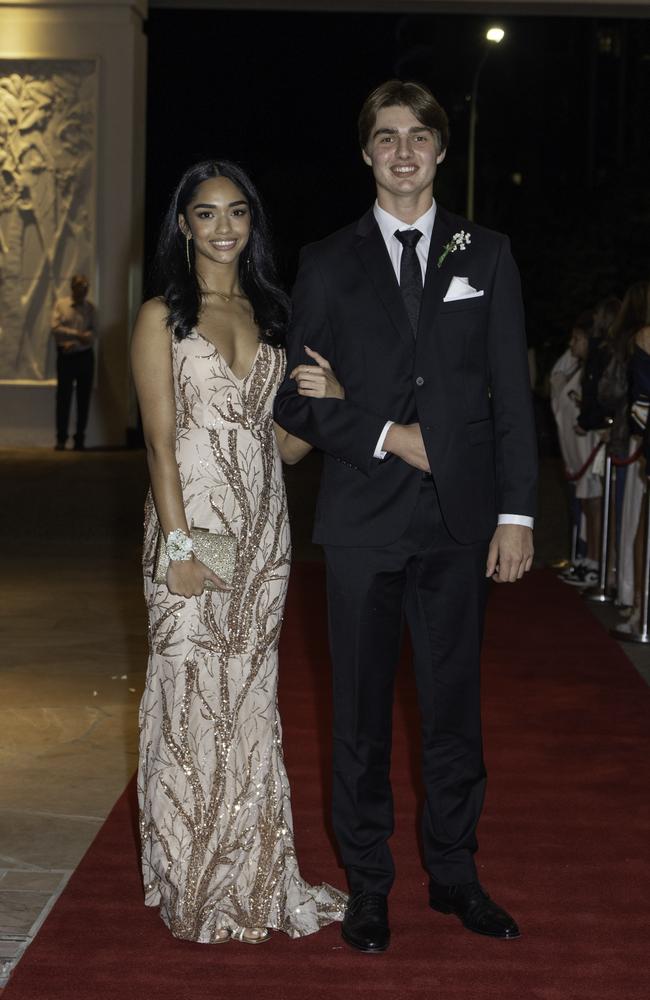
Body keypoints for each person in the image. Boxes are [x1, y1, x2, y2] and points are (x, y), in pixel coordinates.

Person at [274, 80, 537, 953]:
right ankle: (370, 886)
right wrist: (392, 434)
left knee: (454, 712)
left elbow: (509, 398)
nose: (402, 151)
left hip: (461, 527)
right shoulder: (326, 260)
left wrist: (515, 514)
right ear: (365, 152)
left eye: (418, 136)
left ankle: (456, 876)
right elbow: (301, 403)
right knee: (357, 718)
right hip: (359, 525)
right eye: (385, 137)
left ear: (440, 150)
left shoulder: (486, 252)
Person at [130, 160, 347, 945]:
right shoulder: (161, 316)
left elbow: (282, 448)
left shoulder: (271, 315)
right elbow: (158, 444)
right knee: (191, 701)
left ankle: (252, 874)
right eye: (206, 213)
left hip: (263, 533)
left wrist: (327, 406)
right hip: (195, 525)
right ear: (183, 224)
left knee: (249, 707)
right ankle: (192, 877)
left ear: (253, 224)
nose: (223, 228)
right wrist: (182, 548)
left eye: (237, 214)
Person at [51, 274, 96, 450]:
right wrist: (77, 335)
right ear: (73, 288)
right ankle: (61, 439)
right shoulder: (61, 305)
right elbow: (55, 328)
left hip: (84, 356)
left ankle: (80, 439)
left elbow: (93, 333)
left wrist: (75, 342)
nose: (84, 290)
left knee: (83, 399)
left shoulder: (90, 308)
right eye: (81, 287)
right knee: (63, 398)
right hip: (66, 357)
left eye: (86, 287)